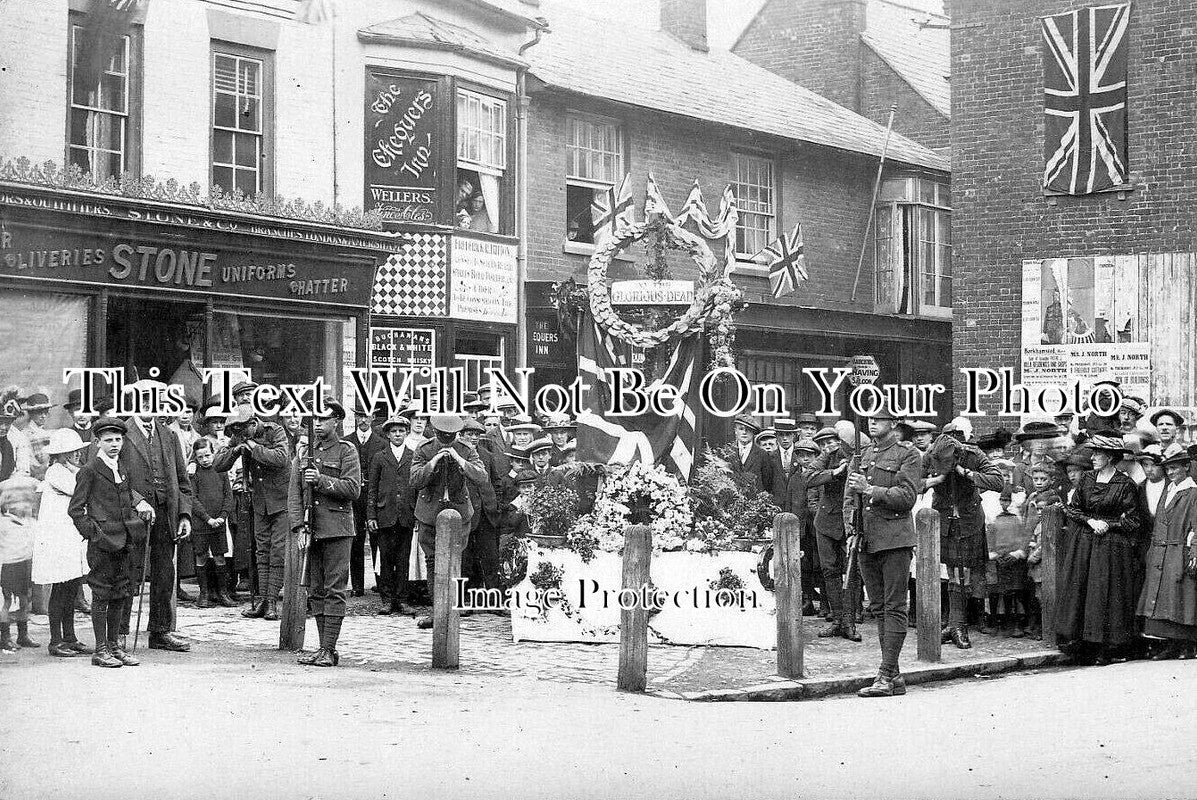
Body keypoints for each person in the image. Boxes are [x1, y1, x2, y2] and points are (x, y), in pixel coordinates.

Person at [844, 402, 921, 697]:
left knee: (894, 606)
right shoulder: (860, 456)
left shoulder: (908, 454)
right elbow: (849, 499)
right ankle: (894, 675)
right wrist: (851, 530)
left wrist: (871, 490)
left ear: (893, 423)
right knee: (877, 607)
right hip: (866, 539)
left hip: (895, 539)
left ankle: (886, 674)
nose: (873, 423)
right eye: (871, 419)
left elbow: (907, 497)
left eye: (880, 419)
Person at [68, 417, 154, 668]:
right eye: (108, 440)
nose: (114, 444)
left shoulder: (121, 467)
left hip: (125, 539)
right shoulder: (90, 469)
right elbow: (76, 509)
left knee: (121, 592)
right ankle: (101, 649)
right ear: (97, 442)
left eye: (118, 439)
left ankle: (115, 646)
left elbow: (126, 496)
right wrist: (94, 533)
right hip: (103, 543)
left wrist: (141, 508)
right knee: (102, 594)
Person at [118, 384, 194, 653]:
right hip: (131, 514)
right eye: (144, 399)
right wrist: (138, 501)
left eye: (156, 400)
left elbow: (183, 481)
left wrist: (184, 514)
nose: (150, 404)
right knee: (128, 571)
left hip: (166, 513)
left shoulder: (169, 435)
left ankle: (160, 631)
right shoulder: (121, 434)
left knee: (165, 573)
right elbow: (115, 478)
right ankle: (119, 632)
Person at [1057, 434, 1144, 665]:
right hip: (1085, 542)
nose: (1093, 457)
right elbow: (1073, 509)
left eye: (1098, 453)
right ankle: (1082, 645)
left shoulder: (1125, 484)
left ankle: (1105, 648)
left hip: (1111, 547)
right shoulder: (1086, 479)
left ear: (1110, 457)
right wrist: (1091, 521)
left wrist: (1110, 524)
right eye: (1093, 453)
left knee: (1104, 594)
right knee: (1082, 590)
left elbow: (1134, 521)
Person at [292, 401, 361, 667]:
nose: (317, 424)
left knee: (334, 589)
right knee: (316, 590)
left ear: (337, 421)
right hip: (313, 529)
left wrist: (321, 480)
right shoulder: (304, 453)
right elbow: (294, 494)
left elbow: (353, 489)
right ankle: (323, 648)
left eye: (323, 419)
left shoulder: (346, 451)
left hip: (337, 529)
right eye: (314, 419)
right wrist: (299, 526)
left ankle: (329, 649)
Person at [409, 415, 488, 630]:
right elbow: (414, 480)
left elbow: (482, 477)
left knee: (454, 561)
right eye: (443, 437)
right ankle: (438, 612)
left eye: (451, 437)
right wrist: (433, 462)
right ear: (434, 433)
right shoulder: (424, 449)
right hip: (429, 513)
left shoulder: (465, 448)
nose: (447, 441)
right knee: (433, 561)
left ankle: (452, 610)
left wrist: (459, 460)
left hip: (459, 513)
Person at [213, 405, 290, 621]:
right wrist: (236, 449)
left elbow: (281, 457)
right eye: (238, 434)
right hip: (260, 503)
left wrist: (252, 446)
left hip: (282, 501)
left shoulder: (274, 430)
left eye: (243, 432)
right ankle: (264, 601)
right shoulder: (240, 436)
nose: (240, 436)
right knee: (262, 552)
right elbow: (218, 464)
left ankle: (273, 601)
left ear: (253, 423)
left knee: (277, 552)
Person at [33, 429, 92, 656]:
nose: (76, 454)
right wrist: (76, 470)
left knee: (70, 588)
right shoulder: (56, 472)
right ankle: (56, 640)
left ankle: (70, 637)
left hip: (70, 538)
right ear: (59, 455)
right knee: (60, 590)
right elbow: (81, 489)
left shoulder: (69, 470)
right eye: (70, 451)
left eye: (77, 450)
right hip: (57, 539)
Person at [1136, 444, 1197, 660]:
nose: (1171, 473)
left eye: (1175, 468)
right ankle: (1170, 644)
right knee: (1163, 600)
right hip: (1160, 550)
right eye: (1168, 469)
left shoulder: (1192, 492)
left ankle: (1187, 645)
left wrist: (1194, 552)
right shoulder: (1169, 490)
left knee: (1180, 599)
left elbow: (1196, 526)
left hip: (1179, 550)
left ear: (1186, 467)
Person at [806, 426, 860, 641]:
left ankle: (850, 620)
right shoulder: (823, 459)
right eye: (823, 443)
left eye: (832, 442)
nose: (828, 446)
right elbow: (809, 478)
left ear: (841, 440)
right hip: (826, 521)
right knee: (830, 570)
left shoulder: (853, 455)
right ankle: (837, 619)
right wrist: (835, 472)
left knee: (852, 570)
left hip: (849, 520)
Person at [367, 416, 417, 616]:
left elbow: (416, 487)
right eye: (394, 432)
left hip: (406, 515)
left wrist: (416, 513)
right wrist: (371, 515)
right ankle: (386, 600)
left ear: (406, 433)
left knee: (403, 559)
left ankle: (402, 599)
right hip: (384, 515)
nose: (398, 435)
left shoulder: (413, 456)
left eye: (401, 431)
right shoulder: (380, 457)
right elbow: (372, 488)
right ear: (387, 434)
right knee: (386, 559)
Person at [344, 407, 387, 598]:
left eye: (367, 416)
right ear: (355, 417)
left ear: (373, 417)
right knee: (356, 541)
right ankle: (358, 585)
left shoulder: (381, 443)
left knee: (378, 539)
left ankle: (380, 582)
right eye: (359, 416)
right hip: (353, 497)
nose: (363, 420)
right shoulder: (346, 441)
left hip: (375, 496)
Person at [189, 439, 236, 609]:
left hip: (219, 522)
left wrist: (222, 517)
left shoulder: (221, 471)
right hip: (202, 523)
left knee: (219, 556)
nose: (205, 459)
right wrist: (207, 518)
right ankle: (204, 593)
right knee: (201, 555)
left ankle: (222, 593)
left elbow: (228, 496)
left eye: (207, 455)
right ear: (195, 458)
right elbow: (193, 499)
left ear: (213, 453)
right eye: (200, 457)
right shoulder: (194, 474)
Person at [0, 476, 42, 652]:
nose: (22, 504)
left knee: (25, 598)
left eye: (26, 500)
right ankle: (5, 637)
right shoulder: (3, 523)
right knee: (7, 600)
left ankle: (23, 634)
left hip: (24, 562)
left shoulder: (31, 522)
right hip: (7, 564)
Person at [729, 413, 772, 492]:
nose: (744, 432)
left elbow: (767, 482)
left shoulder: (762, 454)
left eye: (748, 429)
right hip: (732, 500)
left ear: (753, 432)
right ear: (735, 431)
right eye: (741, 429)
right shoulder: (727, 453)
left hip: (755, 501)